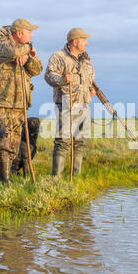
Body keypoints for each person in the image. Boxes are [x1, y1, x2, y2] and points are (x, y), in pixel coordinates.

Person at [0, 18, 43, 182]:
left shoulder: (22, 49)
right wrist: (27, 50)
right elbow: (13, 52)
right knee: (3, 141)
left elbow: (38, 68)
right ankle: (3, 180)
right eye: (29, 32)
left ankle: (4, 176)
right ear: (19, 33)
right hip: (1, 102)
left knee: (14, 144)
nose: (31, 36)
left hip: (19, 104)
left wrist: (29, 58)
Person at [44, 28, 96, 176]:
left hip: (84, 105)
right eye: (84, 40)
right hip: (66, 104)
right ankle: (56, 180)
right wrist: (62, 79)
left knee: (80, 143)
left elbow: (89, 78)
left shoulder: (86, 58)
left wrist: (90, 91)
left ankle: (76, 177)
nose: (87, 42)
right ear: (75, 41)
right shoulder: (58, 56)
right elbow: (48, 76)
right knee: (63, 142)